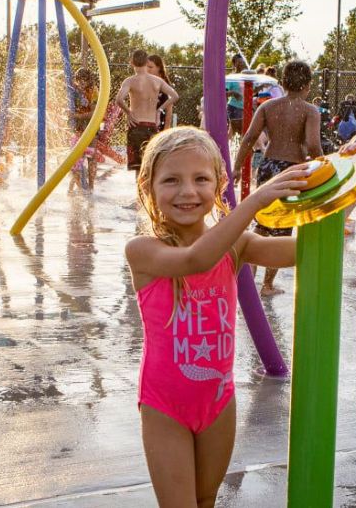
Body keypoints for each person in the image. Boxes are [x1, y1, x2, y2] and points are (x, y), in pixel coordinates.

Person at [126, 127, 311, 507]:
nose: (188, 191)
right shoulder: (143, 250)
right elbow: (196, 260)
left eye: (201, 179)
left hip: (218, 401)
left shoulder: (236, 246)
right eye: (171, 180)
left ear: (218, 184)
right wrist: (253, 201)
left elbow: (299, 253)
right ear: (148, 187)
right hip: (165, 406)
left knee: (207, 500)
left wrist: (332, 214)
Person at [233, 61, 322, 291]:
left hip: (268, 166)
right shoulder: (310, 111)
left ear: (282, 83)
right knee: (282, 229)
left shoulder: (268, 107)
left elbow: (249, 138)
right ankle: (268, 284)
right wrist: (323, 166)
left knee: (262, 221)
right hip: (293, 171)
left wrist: (235, 168)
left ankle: (246, 282)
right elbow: (313, 144)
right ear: (308, 86)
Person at [116, 49, 179, 175]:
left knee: (138, 169)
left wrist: (128, 112)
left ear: (131, 63)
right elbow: (175, 96)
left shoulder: (130, 81)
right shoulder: (157, 81)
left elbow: (119, 100)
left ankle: (139, 194)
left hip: (135, 126)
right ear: (146, 62)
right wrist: (159, 110)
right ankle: (149, 193)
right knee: (151, 166)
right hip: (152, 127)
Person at [149, 54, 175, 128]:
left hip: (159, 123)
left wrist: (166, 128)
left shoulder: (164, 85)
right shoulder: (147, 82)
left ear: (159, 68)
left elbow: (169, 110)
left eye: (150, 67)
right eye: (146, 67)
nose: (147, 69)